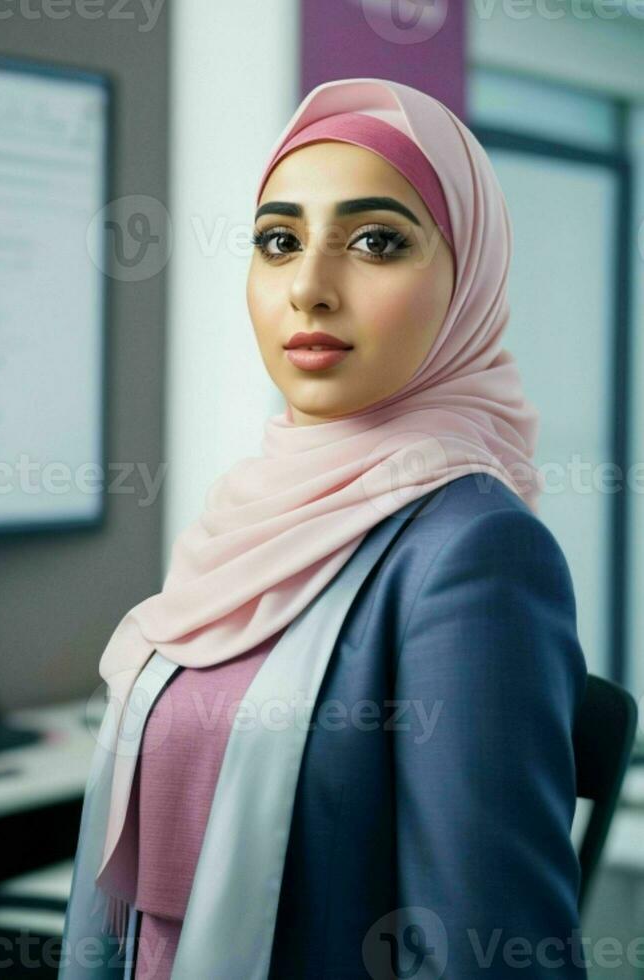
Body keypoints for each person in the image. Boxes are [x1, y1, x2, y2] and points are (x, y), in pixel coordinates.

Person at [59, 77, 589, 979]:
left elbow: (489, 955)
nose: (309, 287)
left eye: (376, 241)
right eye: (279, 241)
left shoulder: (476, 554)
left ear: (471, 278)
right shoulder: (248, 515)